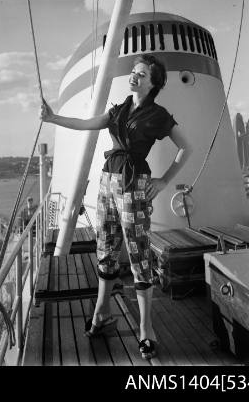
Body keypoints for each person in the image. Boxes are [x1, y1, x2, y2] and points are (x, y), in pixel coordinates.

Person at [40, 54, 192, 359]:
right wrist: (53, 118)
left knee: (138, 252)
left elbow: (186, 147)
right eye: (134, 72)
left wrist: (163, 181)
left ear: (153, 83)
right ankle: (101, 315)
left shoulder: (158, 115)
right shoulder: (120, 109)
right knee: (106, 248)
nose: (134, 76)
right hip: (108, 181)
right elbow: (87, 124)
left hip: (134, 184)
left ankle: (146, 329)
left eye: (141, 74)